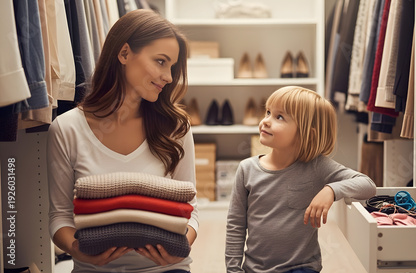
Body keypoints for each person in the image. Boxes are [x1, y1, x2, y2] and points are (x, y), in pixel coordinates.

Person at [47, 9, 198, 273]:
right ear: (124, 53)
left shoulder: (176, 127)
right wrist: (77, 250)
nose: (169, 77)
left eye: (172, 67)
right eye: (161, 62)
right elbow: (59, 216)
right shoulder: (67, 128)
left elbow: (191, 210)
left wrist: (181, 248)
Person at [225, 86, 377, 273]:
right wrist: (233, 269)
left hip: (301, 268)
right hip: (254, 269)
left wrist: (330, 190)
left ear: (307, 133)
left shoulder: (317, 167)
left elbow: (367, 184)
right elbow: (235, 225)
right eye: (268, 112)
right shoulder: (246, 169)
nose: (265, 121)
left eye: (279, 117)